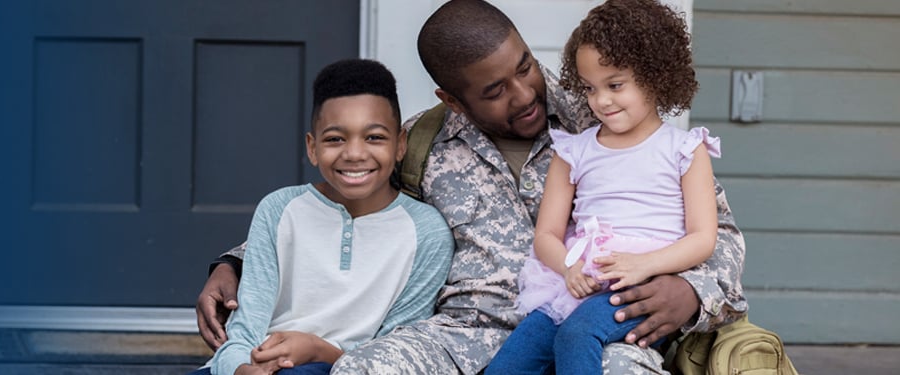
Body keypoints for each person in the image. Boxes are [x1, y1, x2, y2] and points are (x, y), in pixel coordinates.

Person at [195, 1, 748, 374]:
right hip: (463, 337)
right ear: (452, 99)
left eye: (526, 66)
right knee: (365, 368)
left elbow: (717, 234)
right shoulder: (419, 142)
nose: (525, 94)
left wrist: (693, 293)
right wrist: (235, 263)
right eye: (494, 90)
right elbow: (340, 201)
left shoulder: (605, 116)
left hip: (599, 322)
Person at [486, 1, 719, 374]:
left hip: (642, 288)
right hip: (577, 284)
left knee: (578, 336)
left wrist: (646, 265)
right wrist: (570, 269)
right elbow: (546, 233)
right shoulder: (574, 151)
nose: (601, 100)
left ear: (655, 75)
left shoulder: (685, 150)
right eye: (590, 88)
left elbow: (703, 238)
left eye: (614, 85)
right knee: (510, 364)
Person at [192, 59, 453, 375]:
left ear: (400, 145)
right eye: (335, 139)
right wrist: (239, 370)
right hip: (255, 364)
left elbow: (400, 349)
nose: (354, 154)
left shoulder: (427, 232)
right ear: (312, 147)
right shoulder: (279, 209)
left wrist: (319, 350)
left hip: (344, 368)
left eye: (374, 137)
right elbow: (244, 331)